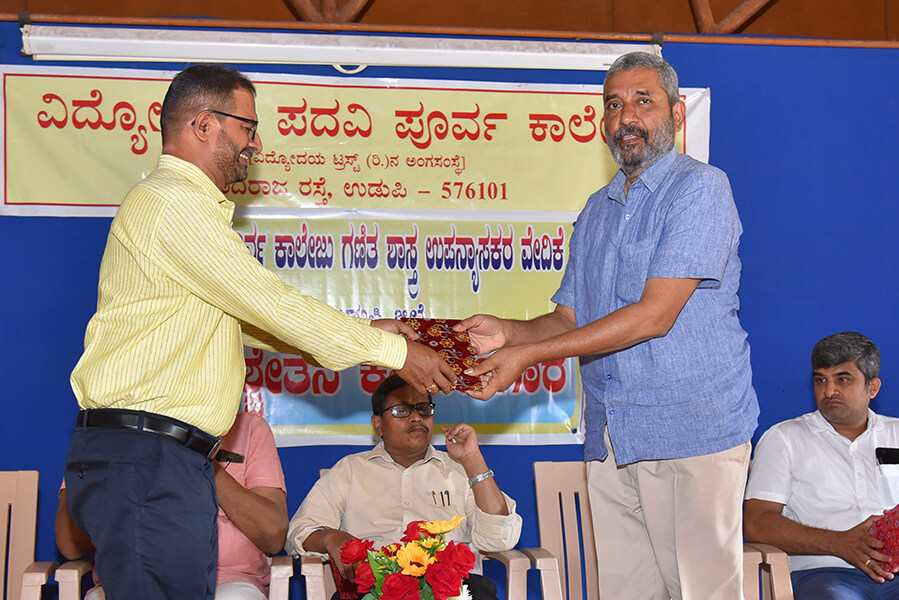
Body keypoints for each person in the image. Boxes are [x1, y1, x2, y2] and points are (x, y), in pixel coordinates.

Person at [63, 63, 456, 600]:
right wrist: (393, 353)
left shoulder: (180, 207)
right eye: (246, 127)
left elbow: (250, 319)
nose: (254, 142)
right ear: (204, 124)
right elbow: (270, 303)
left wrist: (368, 331)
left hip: (159, 459)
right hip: (147, 458)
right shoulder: (174, 203)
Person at [455, 51, 758, 599]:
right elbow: (569, 318)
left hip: (691, 430)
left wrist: (527, 358)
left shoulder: (701, 189)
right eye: (614, 104)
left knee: (702, 591)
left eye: (644, 100)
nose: (627, 117)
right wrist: (508, 332)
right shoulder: (596, 210)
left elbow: (653, 315)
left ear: (676, 112)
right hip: (612, 436)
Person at [285, 374, 522, 600]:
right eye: (401, 411)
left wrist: (472, 459)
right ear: (378, 424)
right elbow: (299, 533)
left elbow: (499, 540)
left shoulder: (461, 470)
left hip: (450, 589)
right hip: (375, 588)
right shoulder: (349, 471)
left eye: (423, 409)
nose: (416, 417)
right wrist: (331, 538)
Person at [56, 411, 289, 600]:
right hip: (127, 580)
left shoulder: (249, 428)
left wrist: (198, 462)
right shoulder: (113, 431)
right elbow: (68, 544)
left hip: (229, 584)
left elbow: (273, 535)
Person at [744, 332, 899, 599]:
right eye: (821, 380)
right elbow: (756, 523)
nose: (829, 391)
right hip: (824, 573)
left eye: (843, 379)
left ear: (872, 388)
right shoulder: (785, 438)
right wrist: (839, 543)